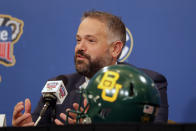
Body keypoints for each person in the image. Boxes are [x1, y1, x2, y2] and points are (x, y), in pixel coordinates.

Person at [12, 10, 168, 126]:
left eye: (91, 41)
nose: (80, 47)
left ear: (115, 49)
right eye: (78, 40)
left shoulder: (147, 85)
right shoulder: (60, 85)